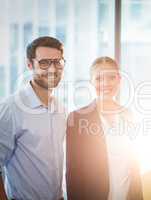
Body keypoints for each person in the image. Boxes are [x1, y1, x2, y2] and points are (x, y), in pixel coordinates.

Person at [66, 56, 143, 200]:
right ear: (91, 82)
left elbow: (135, 167)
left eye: (111, 77)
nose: (106, 83)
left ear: (119, 79)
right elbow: (73, 174)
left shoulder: (128, 115)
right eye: (99, 79)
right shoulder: (76, 119)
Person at [0, 36, 66, 200]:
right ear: (30, 64)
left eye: (57, 62)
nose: (52, 69)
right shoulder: (12, 108)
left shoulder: (61, 108)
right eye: (44, 63)